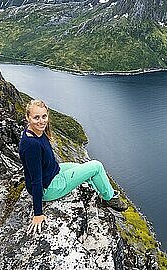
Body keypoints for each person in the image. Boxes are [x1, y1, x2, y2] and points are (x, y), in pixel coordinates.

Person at [19, 98, 127, 234]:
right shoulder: (32, 145)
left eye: (44, 116)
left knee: (83, 168)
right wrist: (38, 213)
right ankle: (109, 198)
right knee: (96, 166)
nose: (41, 121)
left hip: (53, 172)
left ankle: (99, 193)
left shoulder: (34, 131)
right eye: (36, 118)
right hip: (49, 187)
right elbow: (35, 180)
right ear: (28, 117)